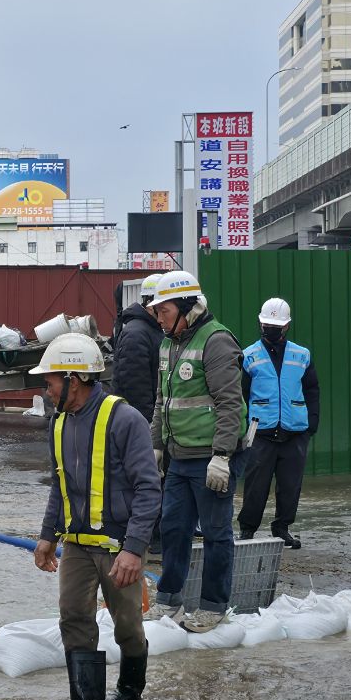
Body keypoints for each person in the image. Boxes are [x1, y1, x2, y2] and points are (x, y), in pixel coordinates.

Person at [30, 331, 161, 700]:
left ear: (75, 377)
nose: (48, 388)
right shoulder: (59, 423)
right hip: (76, 546)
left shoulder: (125, 419)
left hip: (119, 546)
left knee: (128, 630)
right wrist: (46, 537)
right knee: (73, 618)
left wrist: (134, 549)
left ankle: (130, 696)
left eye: (51, 380)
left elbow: (148, 488)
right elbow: (60, 485)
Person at [145, 269, 247, 631]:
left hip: (211, 459)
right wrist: (157, 445)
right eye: (156, 312)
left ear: (188, 307)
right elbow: (162, 400)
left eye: (164, 311)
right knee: (173, 528)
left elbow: (229, 403)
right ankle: (169, 601)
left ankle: (213, 606)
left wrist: (222, 456)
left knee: (217, 533)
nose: (158, 319)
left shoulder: (216, 340)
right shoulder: (167, 344)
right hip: (179, 456)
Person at [238, 296, 318, 549]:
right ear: (260, 325)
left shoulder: (301, 355)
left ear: (286, 326)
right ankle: (247, 531)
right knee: (255, 487)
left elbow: (312, 390)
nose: (271, 330)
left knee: (290, 486)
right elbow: (241, 395)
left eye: (276, 326)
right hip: (260, 432)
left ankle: (282, 528)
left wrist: (311, 424)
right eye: (267, 326)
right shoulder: (248, 356)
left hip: (294, 432)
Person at [110, 274, 165, 421]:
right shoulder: (136, 335)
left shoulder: (151, 329)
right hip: (139, 422)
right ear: (151, 304)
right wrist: (147, 425)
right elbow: (136, 389)